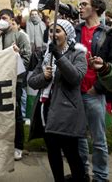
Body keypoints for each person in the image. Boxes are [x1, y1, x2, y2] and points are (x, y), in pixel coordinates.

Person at [28, 19, 87, 182]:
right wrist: (44, 77)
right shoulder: (46, 55)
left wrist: (59, 56)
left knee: (71, 153)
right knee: (53, 152)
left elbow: (75, 78)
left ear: (67, 34)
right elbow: (32, 81)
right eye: (51, 31)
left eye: (58, 31)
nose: (54, 34)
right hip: (46, 110)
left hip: (67, 112)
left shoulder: (78, 53)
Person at [76, 0, 112, 182]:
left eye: (84, 4)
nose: (80, 7)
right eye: (80, 4)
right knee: (79, 137)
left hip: (94, 94)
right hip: (75, 93)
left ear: (95, 8)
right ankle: (82, 173)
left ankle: (101, 177)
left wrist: (99, 88)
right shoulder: (75, 31)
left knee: (98, 139)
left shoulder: (110, 34)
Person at [0, 9, 31, 161]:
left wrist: (17, 54)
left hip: (15, 81)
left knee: (16, 114)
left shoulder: (20, 36)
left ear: (12, 20)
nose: (1, 20)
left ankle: (18, 146)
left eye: (5, 18)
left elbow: (27, 60)